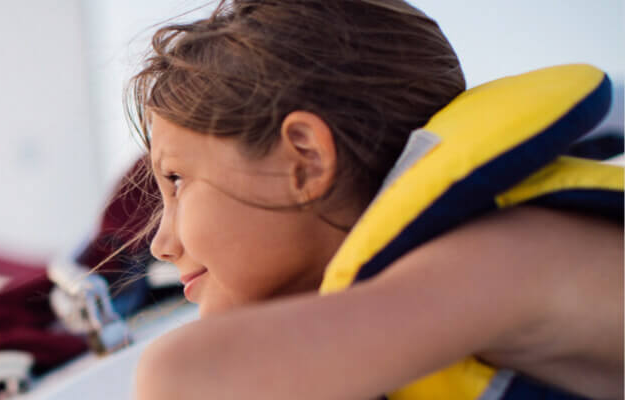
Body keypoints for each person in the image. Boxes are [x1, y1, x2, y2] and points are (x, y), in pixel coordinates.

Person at [124, 1, 623, 399]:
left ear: (305, 160)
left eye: (176, 180)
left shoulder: (500, 256)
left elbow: (186, 376)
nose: (161, 245)